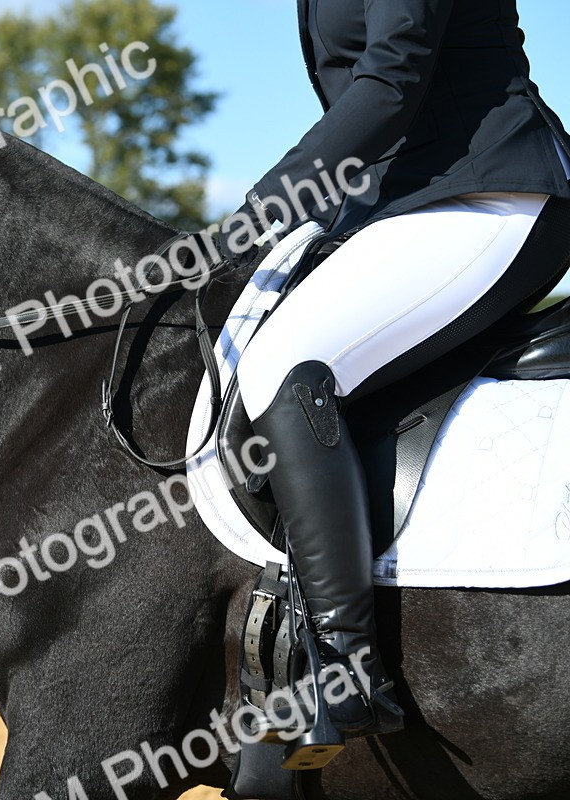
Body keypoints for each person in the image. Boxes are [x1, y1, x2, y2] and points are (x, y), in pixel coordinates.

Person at [215, 0, 570, 769]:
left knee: (285, 366)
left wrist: (258, 211)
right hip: (402, 204)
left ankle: (346, 673)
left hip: (490, 190)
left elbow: (389, 81)